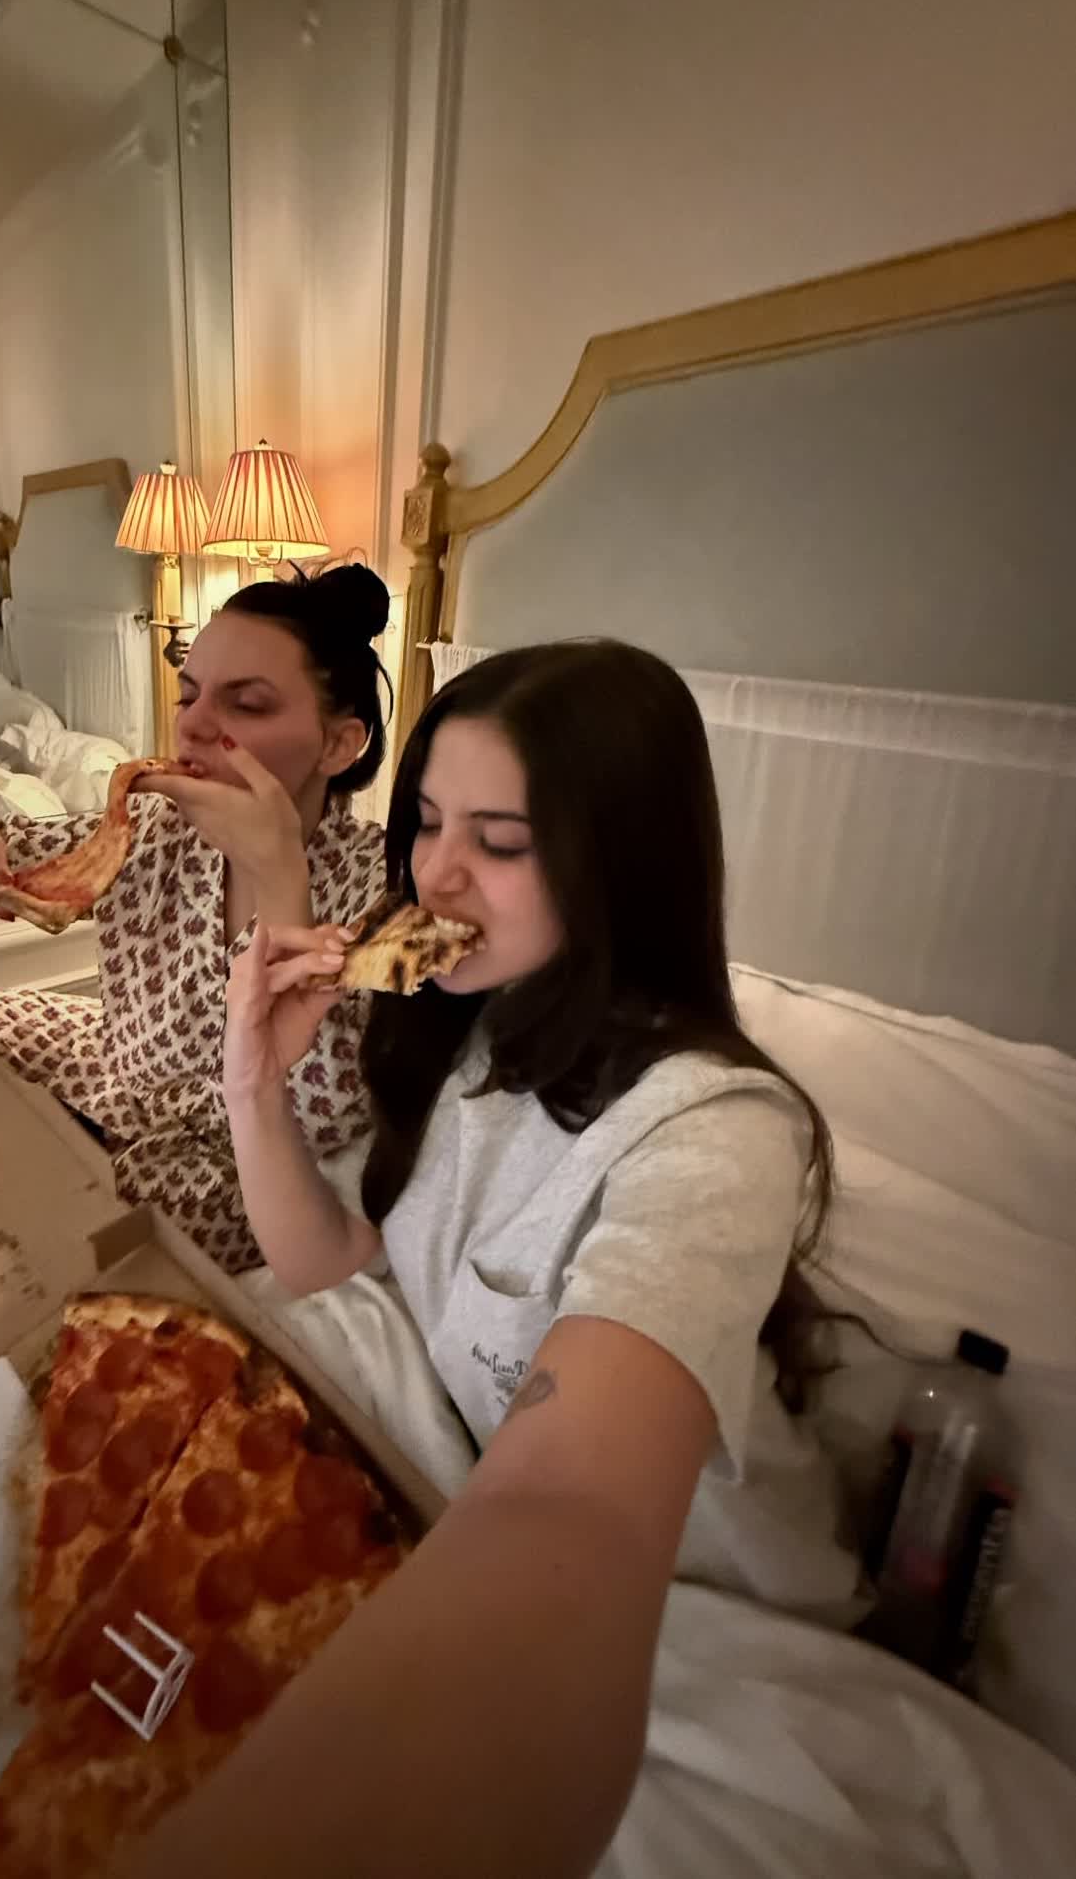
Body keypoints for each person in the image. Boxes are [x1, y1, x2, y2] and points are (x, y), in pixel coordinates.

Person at [134, 639, 853, 1876]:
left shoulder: (718, 1136)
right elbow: (332, 1258)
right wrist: (251, 1081)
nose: (435, 874)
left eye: (501, 842)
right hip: (451, 1482)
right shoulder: (472, 1027)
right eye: (424, 822)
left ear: (618, 865)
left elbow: (573, 1503)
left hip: (682, 1591)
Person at [0, 563, 394, 1272]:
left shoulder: (384, 887)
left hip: (231, 1165)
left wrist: (282, 877)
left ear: (339, 744)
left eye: (246, 705)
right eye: (189, 695)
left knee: (56, 1236)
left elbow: (316, 1111)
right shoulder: (154, 829)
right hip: (116, 1076)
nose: (192, 724)